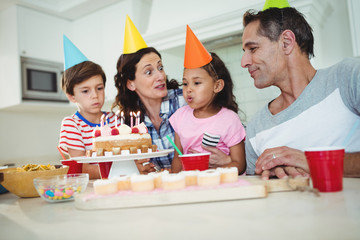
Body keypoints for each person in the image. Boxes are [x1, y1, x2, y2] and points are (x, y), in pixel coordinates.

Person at [241, 3, 360, 179]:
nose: (244, 62)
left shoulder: (348, 77)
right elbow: (257, 189)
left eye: (253, 49)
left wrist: (309, 161)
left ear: (287, 42)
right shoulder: (256, 127)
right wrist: (270, 175)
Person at [112, 16, 186, 171]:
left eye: (160, 67)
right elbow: (123, 167)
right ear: (131, 83)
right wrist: (136, 169)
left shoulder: (183, 100)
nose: (160, 76)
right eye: (148, 72)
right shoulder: (125, 121)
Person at [170, 26, 246, 174]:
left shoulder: (229, 119)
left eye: (197, 83)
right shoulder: (179, 117)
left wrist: (208, 174)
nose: (188, 89)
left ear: (217, 86)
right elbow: (177, 158)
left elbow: (240, 164)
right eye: (185, 83)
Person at [58, 35, 115, 179]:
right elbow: (83, 168)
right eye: (85, 91)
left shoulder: (115, 119)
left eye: (99, 88)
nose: (95, 95)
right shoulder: (72, 125)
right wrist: (118, 171)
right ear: (72, 96)